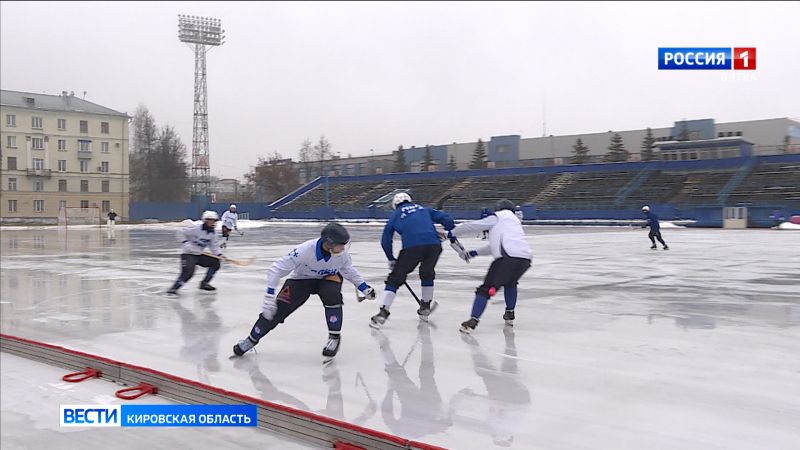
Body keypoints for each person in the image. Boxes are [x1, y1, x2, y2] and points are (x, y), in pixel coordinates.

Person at [232, 222, 376, 360]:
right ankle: (251, 340)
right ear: (329, 243)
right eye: (340, 245)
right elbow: (276, 269)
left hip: (328, 278)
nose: (343, 249)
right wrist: (269, 296)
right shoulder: (304, 251)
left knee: (332, 295)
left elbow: (348, 270)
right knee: (277, 309)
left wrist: (364, 288)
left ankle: (334, 337)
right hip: (301, 280)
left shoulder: (341, 254)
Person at [370, 193, 455, 328]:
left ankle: (383, 313)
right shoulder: (423, 209)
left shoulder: (396, 215)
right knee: (427, 273)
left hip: (412, 247)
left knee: (395, 279)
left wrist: (391, 259)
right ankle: (425, 306)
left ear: (395, 205)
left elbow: (386, 240)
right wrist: (450, 230)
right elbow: (446, 219)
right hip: (434, 245)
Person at [447, 199, 532, 333]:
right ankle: (510, 313)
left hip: (506, 258)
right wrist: (473, 253)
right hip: (525, 259)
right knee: (510, 283)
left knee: (485, 290)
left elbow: (474, 226)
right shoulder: (515, 222)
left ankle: (473, 321)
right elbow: (495, 246)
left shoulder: (498, 217)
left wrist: (452, 232)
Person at [167, 210, 225, 295]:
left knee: (215, 263)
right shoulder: (196, 228)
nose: (213, 223)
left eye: (214, 221)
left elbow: (214, 246)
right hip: (188, 254)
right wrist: (186, 243)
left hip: (199, 254)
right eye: (210, 220)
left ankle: (204, 283)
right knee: (188, 272)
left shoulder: (213, 233)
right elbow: (180, 232)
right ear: (205, 220)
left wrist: (219, 255)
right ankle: (174, 288)